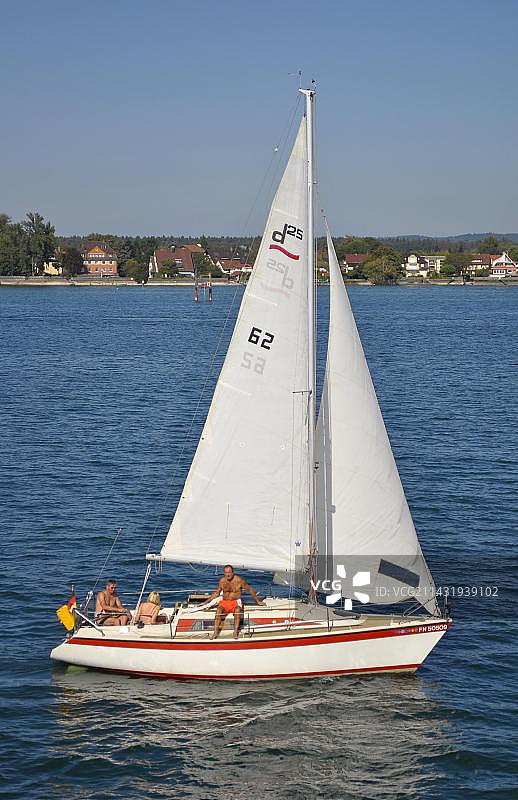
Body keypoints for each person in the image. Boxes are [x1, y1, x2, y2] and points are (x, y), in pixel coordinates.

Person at [208, 564, 265, 639]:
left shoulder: (238, 580)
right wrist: (206, 602)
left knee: (237, 610)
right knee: (218, 610)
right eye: (226, 572)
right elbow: (217, 593)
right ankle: (215, 632)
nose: (228, 574)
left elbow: (250, 589)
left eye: (229, 572)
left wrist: (257, 601)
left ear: (233, 572)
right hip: (225, 602)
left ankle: (235, 632)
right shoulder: (222, 581)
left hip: (235, 602)